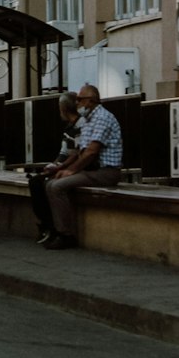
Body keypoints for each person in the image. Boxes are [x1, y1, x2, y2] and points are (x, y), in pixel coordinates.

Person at [44, 83, 123, 250]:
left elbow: (91, 152)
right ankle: (54, 229)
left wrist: (71, 171)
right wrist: (61, 167)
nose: (77, 103)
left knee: (57, 187)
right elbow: (79, 151)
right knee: (50, 182)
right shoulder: (89, 119)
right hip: (91, 170)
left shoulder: (102, 118)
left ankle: (66, 235)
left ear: (91, 100)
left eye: (80, 99)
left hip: (105, 171)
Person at [27, 92, 80, 245]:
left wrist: (59, 167)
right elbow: (63, 153)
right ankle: (47, 224)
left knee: (46, 185)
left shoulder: (79, 126)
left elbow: (76, 154)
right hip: (63, 166)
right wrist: (53, 165)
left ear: (63, 108)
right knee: (35, 182)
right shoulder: (68, 128)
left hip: (72, 168)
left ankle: (54, 227)